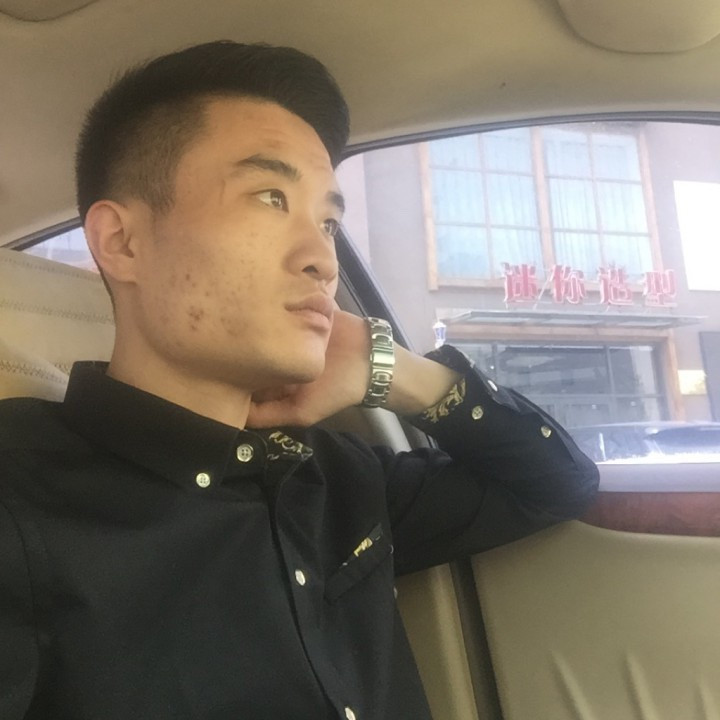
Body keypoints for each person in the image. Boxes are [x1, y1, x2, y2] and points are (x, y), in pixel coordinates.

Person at [0, 41, 598, 720]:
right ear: (123, 242)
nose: (322, 258)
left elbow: (555, 483)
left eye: (328, 221)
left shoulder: (335, 477)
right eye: (270, 196)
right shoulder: (21, 506)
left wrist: (387, 368)